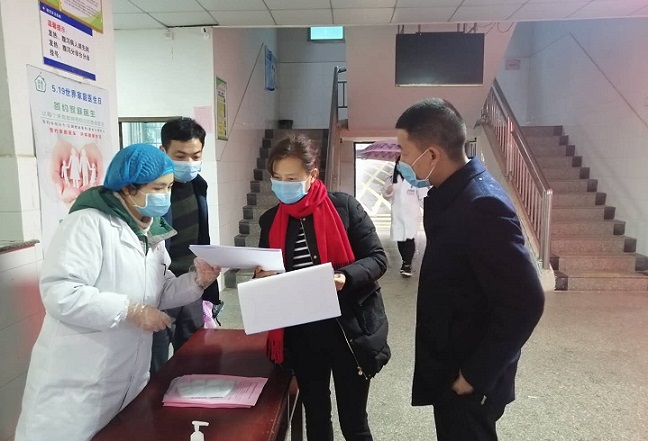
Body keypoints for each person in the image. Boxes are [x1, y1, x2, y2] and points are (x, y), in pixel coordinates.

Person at [15, 143, 221, 441]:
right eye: (158, 188)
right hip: (78, 383)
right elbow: (61, 293)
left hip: (126, 377)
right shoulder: (88, 223)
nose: (165, 196)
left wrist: (197, 281)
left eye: (168, 187)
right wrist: (129, 310)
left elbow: (159, 292)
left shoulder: (150, 230)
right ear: (127, 188)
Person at [395, 99, 545, 441]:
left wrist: (474, 375)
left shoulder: (480, 205)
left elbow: (526, 303)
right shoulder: (451, 194)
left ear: (432, 155)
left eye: (404, 151)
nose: (401, 161)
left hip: (469, 375)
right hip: (452, 363)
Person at [255, 134, 390, 441]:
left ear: (312, 175)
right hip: (303, 335)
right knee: (316, 418)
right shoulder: (270, 220)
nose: (283, 185)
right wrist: (262, 279)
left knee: (354, 423)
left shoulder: (344, 207)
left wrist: (344, 277)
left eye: (292, 178)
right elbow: (268, 275)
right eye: (277, 177)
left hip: (348, 329)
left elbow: (378, 259)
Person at [150, 117, 223, 375]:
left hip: (192, 283)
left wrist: (209, 291)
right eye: (180, 156)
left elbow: (202, 236)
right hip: (159, 289)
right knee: (155, 361)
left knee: (195, 355)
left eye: (196, 156)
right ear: (163, 151)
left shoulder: (198, 185)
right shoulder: (151, 192)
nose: (189, 163)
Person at [382, 155, 428, 277]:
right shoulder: (391, 179)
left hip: (412, 214)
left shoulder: (416, 179)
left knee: (409, 237)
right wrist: (389, 190)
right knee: (400, 238)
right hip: (397, 213)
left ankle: (407, 264)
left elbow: (423, 197)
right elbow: (385, 195)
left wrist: (431, 209)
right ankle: (405, 260)